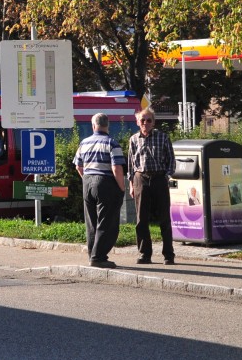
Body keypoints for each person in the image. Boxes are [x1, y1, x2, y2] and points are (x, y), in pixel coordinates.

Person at [73, 112, 127, 268]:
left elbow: (78, 166)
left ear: (93, 126)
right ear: (107, 125)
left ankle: (92, 254)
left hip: (88, 182)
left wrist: (86, 178)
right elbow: (116, 167)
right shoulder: (111, 143)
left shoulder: (84, 143)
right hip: (105, 183)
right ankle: (99, 257)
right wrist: (121, 187)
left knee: (91, 221)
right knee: (106, 221)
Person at [127, 107, 176, 265]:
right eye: (142, 120)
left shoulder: (163, 137)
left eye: (149, 120)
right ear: (137, 122)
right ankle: (144, 254)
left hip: (159, 179)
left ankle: (168, 254)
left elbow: (171, 161)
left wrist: (166, 176)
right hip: (141, 179)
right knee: (141, 220)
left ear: (154, 122)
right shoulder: (133, 139)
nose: (145, 123)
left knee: (164, 219)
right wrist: (131, 184)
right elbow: (130, 164)